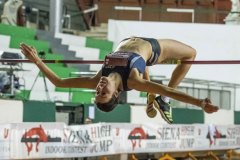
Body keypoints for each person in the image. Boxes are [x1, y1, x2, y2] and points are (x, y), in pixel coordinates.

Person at [20, 37, 219, 124]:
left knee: (145, 74)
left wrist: (37, 60)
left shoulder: (98, 78)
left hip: (130, 41)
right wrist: (200, 103)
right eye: (103, 93)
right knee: (191, 54)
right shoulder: (132, 82)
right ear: (116, 93)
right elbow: (169, 90)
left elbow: (59, 82)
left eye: (96, 93)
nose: (98, 89)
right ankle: (159, 102)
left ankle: (151, 101)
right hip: (153, 48)